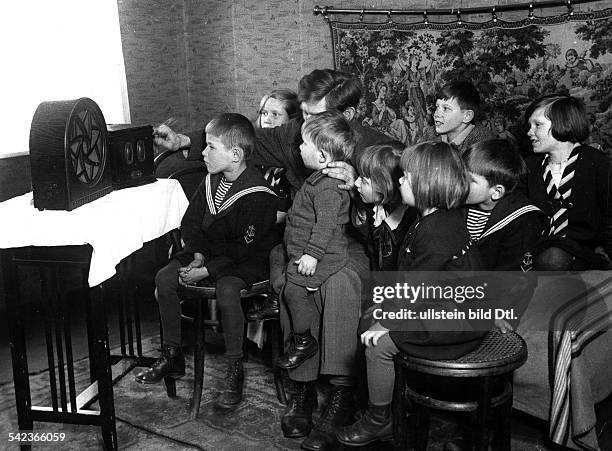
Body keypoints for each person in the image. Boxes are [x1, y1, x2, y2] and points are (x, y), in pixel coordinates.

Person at [154, 69, 388, 451]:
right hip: (296, 240)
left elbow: (404, 200)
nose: (303, 126)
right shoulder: (294, 134)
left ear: (346, 116)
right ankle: (303, 390)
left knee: (341, 282)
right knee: (288, 280)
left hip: (347, 243)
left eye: (314, 117)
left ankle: (342, 396)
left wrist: (364, 191)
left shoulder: (375, 148)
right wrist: (183, 140)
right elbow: (247, 139)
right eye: (304, 115)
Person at [336, 142, 487, 447]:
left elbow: (416, 286)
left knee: (378, 345)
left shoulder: (436, 229)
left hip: (454, 322)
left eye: (406, 176)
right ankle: (386, 402)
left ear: (427, 184)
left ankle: (380, 420)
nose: (400, 180)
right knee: (373, 317)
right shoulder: (438, 218)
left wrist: (388, 321)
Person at [135, 114, 278, 411]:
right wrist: (197, 253)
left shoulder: (259, 194)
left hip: (245, 260)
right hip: (208, 255)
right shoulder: (210, 181)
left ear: (235, 155)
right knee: (164, 278)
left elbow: (244, 248)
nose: (203, 152)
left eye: (211, 147)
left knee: (227, 290)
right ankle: (173, 355)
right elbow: (190, 225)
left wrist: (206, 271)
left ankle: (234, 368)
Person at [278, 111, 356, 371]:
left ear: (322, 156)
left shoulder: (327, 189)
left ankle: (304, 340)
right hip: (305, 247)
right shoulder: (316, 181)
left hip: (326, 253)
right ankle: (274, 301)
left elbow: (324, 227)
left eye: (303, 143)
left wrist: (312, 254)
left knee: (293, 289)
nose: (298, 147)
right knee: (275, 257)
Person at [522, 94, 612, 270]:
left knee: (553, 259)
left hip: (583, 249)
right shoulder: (529, 166)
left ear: (563, 123)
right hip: (541, 244)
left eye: (537, 125)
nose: (529, 132)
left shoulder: (598, 163)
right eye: (529, 125)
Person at [247, 89, 300, 323]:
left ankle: (271, 299)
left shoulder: (291, 158)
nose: (267, 119)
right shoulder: (252, 155)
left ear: (290, 123)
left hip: (280, 226)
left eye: (275, 115)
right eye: (264, 113)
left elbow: (290, 211)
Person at [462, 139, 545, 272]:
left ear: (496, 192)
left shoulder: (522, 221)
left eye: (470, 180)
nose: (459, 183)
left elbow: (513, 277)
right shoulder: (460, 207)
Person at [353, 142, 416, 271]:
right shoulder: (377, 208)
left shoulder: (407, 224)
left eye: (364, 181)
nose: (356, 182)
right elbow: (371, 246)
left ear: (385, 187)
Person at [433, 81, 494, 153]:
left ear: (467, 116)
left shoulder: (483, 145)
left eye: (446, 109)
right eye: (437, 106)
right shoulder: (430, 134)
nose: (436, 114)